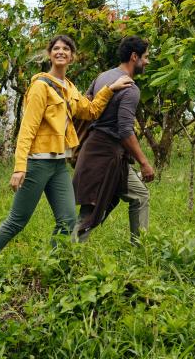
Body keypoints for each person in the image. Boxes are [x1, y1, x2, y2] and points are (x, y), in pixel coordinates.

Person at [0, 34, 131, 257]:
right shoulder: (40, 86)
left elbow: (90, 111)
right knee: (16, 221)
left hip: (59, 164)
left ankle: (51, 266)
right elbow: (27, 128)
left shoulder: (69, 87)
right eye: (56, 48)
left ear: (72, 57)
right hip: (38, 163)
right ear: (50, 55)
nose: (61, 52)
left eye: (66, 49)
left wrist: (111, 88)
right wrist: (20, 167)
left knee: (68, 220)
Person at [73, 35, 157, 245]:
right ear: (134, 56)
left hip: (100, 153)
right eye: (145, 57)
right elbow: (125, 130)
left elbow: (88, 105)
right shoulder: (130, 88)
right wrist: (144, 163)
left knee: (139, 195)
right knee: (90, 211)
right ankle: (66, 255)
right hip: (105, 155)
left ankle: (141, 249)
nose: (147, 62)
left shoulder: (102, 77)